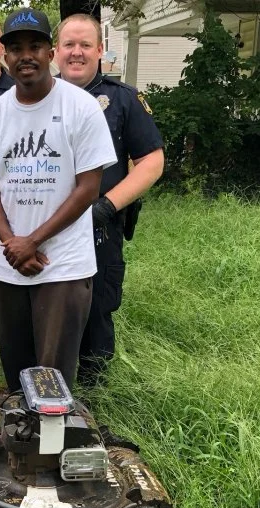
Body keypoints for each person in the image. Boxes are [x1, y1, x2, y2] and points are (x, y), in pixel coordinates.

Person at [0, 8, 117, 391]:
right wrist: (11, 243)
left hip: (63, 266)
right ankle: (22, 446)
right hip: (10, 264)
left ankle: (51, 450)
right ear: (6, 56)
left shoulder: (80, 108)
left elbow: (89, 188)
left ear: (51, 53)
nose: (25, 55)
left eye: (35, 46)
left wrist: (32, 241)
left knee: (53, 381)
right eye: (16, 48)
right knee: (17, 372)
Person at [54, 14, 164, 384]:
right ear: (56, 51)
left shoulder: (122, 100)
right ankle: (44, 392)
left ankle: (94, 398)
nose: (76, 52)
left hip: (97, 227)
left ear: (100, 50)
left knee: (96, 310)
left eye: (85, 45)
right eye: (69, 44)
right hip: (47, 228)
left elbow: (152, 161)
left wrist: (106, 206)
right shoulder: (37, 97)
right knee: (49, 311)